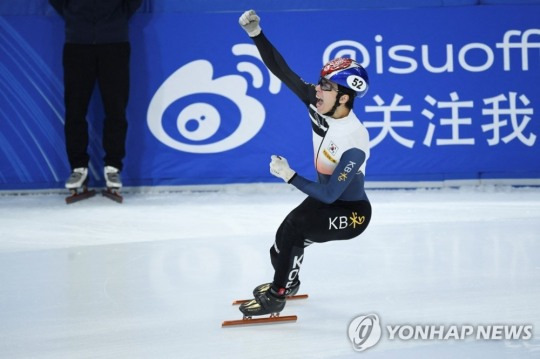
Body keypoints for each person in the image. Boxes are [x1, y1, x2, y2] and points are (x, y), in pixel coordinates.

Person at [238, 10, 373, 317]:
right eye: (320, 82)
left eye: (326, 86)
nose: (317, 89)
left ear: (344, 98)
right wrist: (256, 34)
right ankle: (289, 281)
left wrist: (289, 176)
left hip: (351, 214)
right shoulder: (317, 101)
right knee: (280, 243)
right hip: (328, 201)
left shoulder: (354, 138)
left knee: (295, 231)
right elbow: (282, 71)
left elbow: (328, 196)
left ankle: (277, 295)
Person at [49, 0, 142, 192]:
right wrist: (72, 14)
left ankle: (113, 167)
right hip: (77, 44)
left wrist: (118, 18)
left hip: (115, 44)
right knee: (75, 110)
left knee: (115, 109)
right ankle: (78, 167)